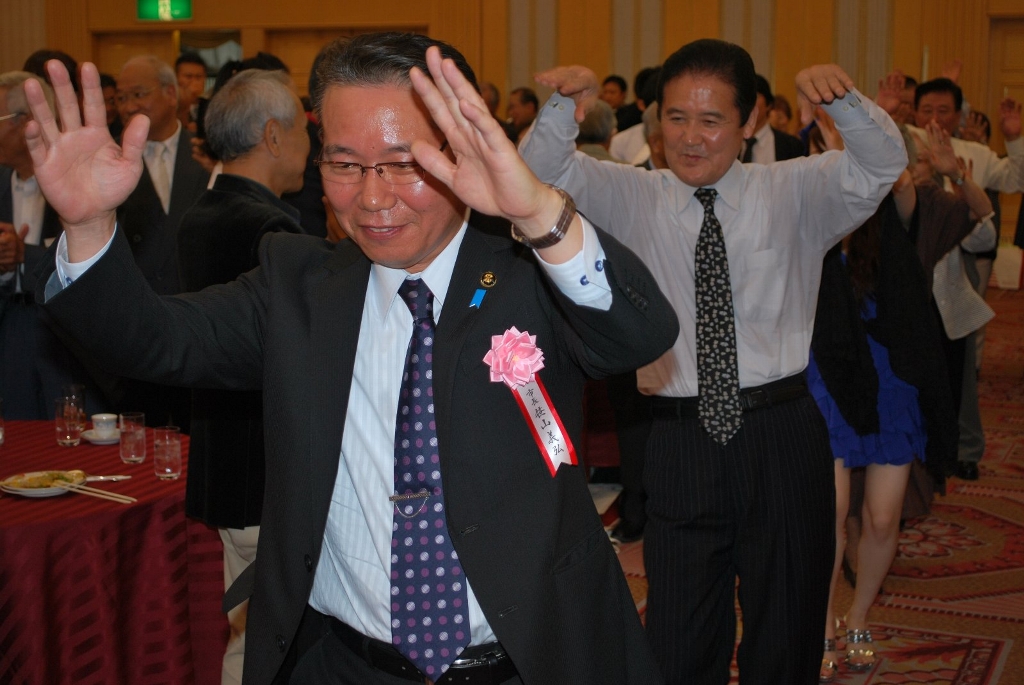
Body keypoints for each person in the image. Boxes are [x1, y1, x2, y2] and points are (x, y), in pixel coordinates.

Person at [27, 32, 678, 685]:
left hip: (534, 659)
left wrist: (538, 210)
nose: (372, 198)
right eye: (345, 164)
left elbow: (640, 337)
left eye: (404, 164)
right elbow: (154, 338)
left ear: (463, 150)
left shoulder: (531, 269)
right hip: (345, 663)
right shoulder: (300, 287)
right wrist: (87, 226)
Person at [522, 38, 907, 685]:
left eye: (710, 119)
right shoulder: (632, 194)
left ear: (749, 119)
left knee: (786, 634)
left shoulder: (797, 189)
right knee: (678, 638)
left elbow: (883, 162)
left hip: (782, 433)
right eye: (676, 118)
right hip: (680, 440)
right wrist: (565, 103)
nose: (690, 137)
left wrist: (843, 100)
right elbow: (536, 177)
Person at [175, 68, 308, 685]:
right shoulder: (269, 229)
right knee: (273, 644)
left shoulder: (202, 213)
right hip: (266, 464)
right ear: (274, 136)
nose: (310, 144)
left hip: (223, 458)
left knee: (248, 630)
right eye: (305, 130)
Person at [740, 74, 805, 163]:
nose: (748, 102)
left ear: (769, 105)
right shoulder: (730, 142)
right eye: (744, 97)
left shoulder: (790, 145)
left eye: (755, 97)